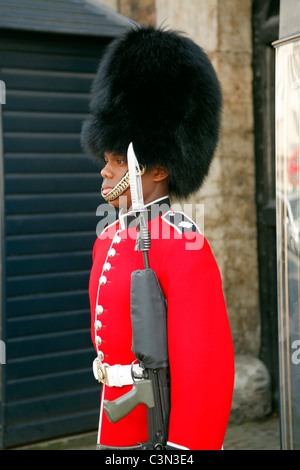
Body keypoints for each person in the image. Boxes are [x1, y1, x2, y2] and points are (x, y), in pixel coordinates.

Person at [81, 25, 234, 451]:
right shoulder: (108, 237)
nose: (105, 170)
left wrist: (184, 450)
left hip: (156, 430)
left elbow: (204, 367)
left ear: (159, 168)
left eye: (115, 159)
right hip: (115, 420)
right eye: (106, 158)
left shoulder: (181, 245)